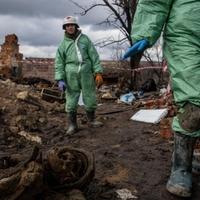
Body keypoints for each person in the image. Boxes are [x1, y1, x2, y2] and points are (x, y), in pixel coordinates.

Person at [123, 0, 200, 198]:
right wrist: (145, 32)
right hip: (186, 36)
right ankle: (181, 167)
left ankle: (193, 158)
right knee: (195, 103)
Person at [55, 16, 104, 135]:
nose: (70, 27)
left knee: (90, 95)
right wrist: (60, 78)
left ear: (76, 26)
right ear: (65, 28)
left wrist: (98, 72)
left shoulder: (85, 39)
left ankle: (91, 120)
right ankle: (72, 125)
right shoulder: (62, 45)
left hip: (86, 71)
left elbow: (94, 56)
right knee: (71, 98)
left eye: (72, 25)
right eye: (67, 26)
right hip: (70, 73)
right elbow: (59, 62)